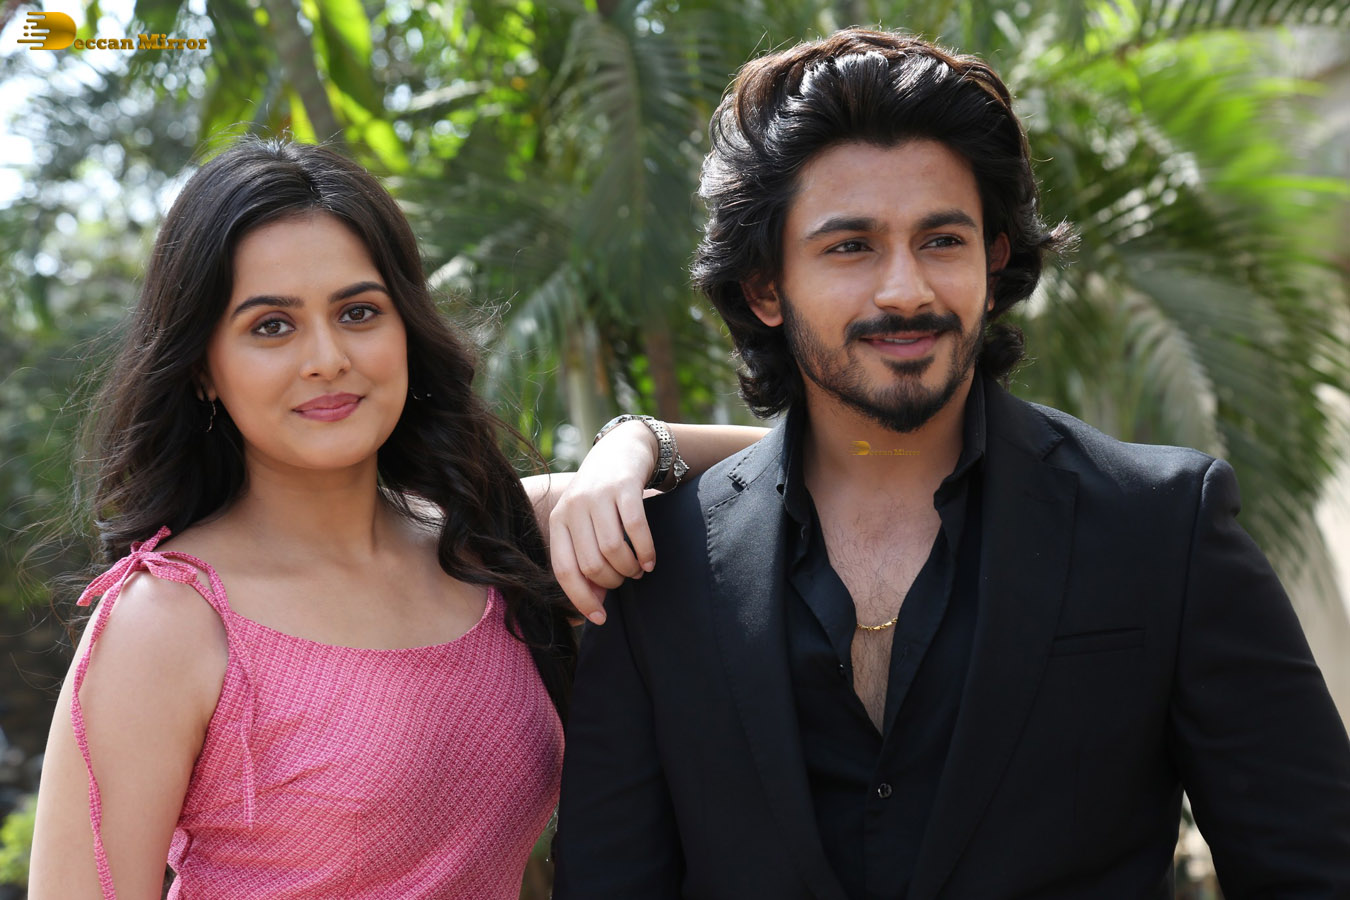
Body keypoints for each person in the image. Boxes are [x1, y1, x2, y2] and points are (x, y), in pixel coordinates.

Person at [551, 27, 1350, 899]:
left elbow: (1313, 868)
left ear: (994, 259)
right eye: (850, 246)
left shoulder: (1163, 527)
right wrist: (626, 444)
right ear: (765, 288)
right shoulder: (658, 573)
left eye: (941, 240)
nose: (907, 289)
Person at [25, 138, 748, 899]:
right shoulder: (166, 623)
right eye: (271, 326)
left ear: (405, 328)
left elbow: (788, 467)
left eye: (358, 312)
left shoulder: (493, 544)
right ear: (204, 368)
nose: (327, 357)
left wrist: (634, 443)